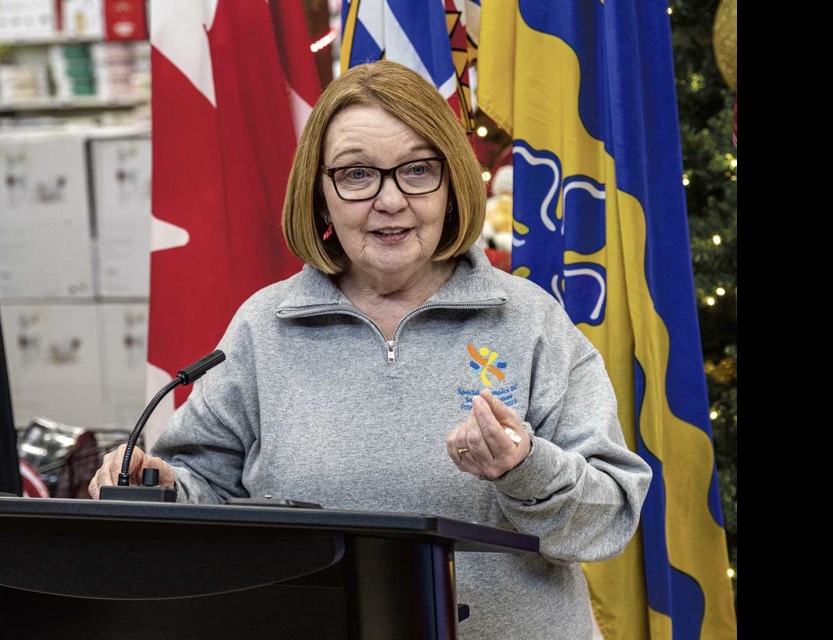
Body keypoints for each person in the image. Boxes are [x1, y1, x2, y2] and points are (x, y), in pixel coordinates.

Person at [90, 60, 652, 639]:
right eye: (357, 175)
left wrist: (524, 468)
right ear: (321, 191)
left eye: (416, 170)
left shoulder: (531, 321)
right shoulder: (264, 326)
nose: (389, 200)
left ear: (453, 181)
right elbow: (203, 490)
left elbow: (608, 519)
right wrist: (160, 488)